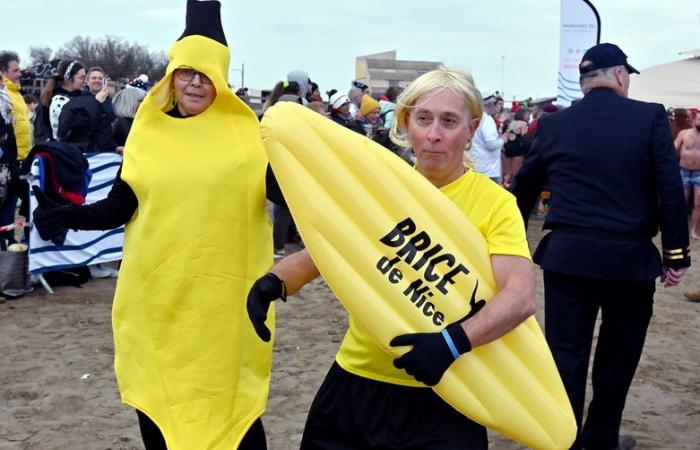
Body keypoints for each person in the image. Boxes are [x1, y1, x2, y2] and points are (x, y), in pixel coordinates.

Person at [32, 1, 283, 448]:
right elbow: (119, 207)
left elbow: (293, 197)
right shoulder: (148, 134)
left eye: (206, 75)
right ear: (171, 75)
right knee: (160, 412)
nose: (195, 83)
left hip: (224, 308)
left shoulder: (250, 140)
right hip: (157, 305)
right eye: (186, 72)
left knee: (233, 417)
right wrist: (67, 214)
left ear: (222, 80)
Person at [247, 67, 536, 450]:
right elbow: (339, 244)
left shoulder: (495, 204)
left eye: (449, 121)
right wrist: (276, 282)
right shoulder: (383, 186)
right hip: (357, 382)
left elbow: (520, 297)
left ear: (472, 127)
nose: (434, 135)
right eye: (424, 118)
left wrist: (452, 343)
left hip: (447, 390)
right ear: (406, 123)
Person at [512, 43, 690, 450]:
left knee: (565, 354)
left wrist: (513, 241)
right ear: (621, 77)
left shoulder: (554, 125)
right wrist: (675, 253)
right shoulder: (648, 117)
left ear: (585, 81)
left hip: (568, 257)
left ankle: (564, 439)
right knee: (618, 356)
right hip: (628, 261)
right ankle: (600, 439)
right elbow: (669, 187)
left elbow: (524, 186)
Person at [39, 60, 87, 140]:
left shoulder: (81, 96)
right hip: (63, 147)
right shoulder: (55, 100)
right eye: (81, 78)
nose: (85, 81)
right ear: (67, 79)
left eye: (85, 77)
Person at [0, 51, 32, 161]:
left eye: (19, 70)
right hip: (10, 159)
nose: (20, 74)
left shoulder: (17, 93)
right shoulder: (3, 95)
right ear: (3, 72)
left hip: (25, 156)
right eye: (15, 71)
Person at [674, 113, 700, 239]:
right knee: (681, 202)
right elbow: (673, 147)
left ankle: (693, 231)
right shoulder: (684, 133)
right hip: (683, 171)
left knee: (698, 203)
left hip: (699, 173)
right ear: (694, 120)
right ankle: (679, 228)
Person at [470, 92, 504, 183]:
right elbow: (491, 144)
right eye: (494, 104)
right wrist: (503, 139)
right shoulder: (487, 120)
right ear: (489, 104)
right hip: (489, 170)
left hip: (476, 166)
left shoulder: (474, 117)